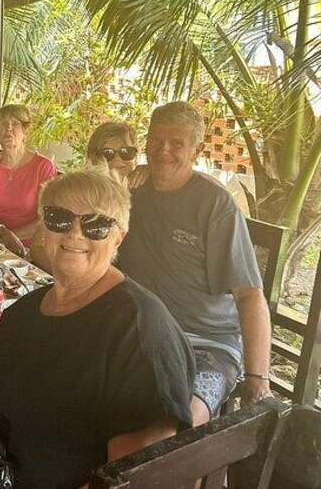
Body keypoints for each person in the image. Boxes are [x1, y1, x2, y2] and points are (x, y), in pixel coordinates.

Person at [0, 170, 195, 488]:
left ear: (119, 237)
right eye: (60, 218)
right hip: (1, 472)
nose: (75, 234)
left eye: (95, 224)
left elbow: (136, 475)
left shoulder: (138, 330)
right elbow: (4, 415)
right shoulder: (21, 315)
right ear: (43, 226)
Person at [117, 101, 272, 425]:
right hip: (143, 331)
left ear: (197, 149)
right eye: (156, 140)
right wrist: (119, 179)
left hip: (208, 343)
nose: (163, 151)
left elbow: (249, 295)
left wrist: (257, 377)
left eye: (176, 143)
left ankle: (194, 474)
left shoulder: (215, 205)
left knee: (179, 425)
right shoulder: (132, 192)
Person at [0, 104, 56, 257]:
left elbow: (44, 219)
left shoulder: (43, 167)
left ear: (26, 131)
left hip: (32, 249)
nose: (9, 128)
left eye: (15, 124)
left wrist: (11, 237)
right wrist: (2, 234)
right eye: (3, 124)